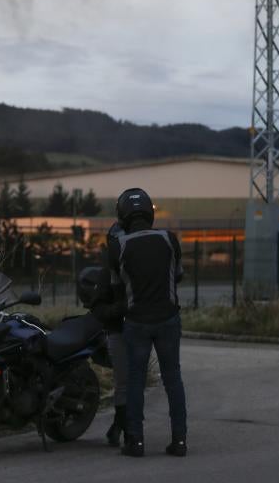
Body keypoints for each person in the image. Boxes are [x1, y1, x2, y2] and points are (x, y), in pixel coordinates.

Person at [109, 187, 187, 458]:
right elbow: (178, 275)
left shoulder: (118, 246)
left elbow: (117, 288)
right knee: (173, 379)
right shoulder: (169, 239)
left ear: (123, 216)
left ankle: (136, 442)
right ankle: (179, 441)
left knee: (135, 380)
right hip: (168, 318)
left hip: (137, 321)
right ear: (149, 213)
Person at [78, 223, 128, 447]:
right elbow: (99, 305)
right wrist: (118, 310)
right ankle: (124, 427)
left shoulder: (137, 266)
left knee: (127, 380)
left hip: (136, 327)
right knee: (124, 380)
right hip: (122, 328)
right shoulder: (109, 270)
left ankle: (128, 429)